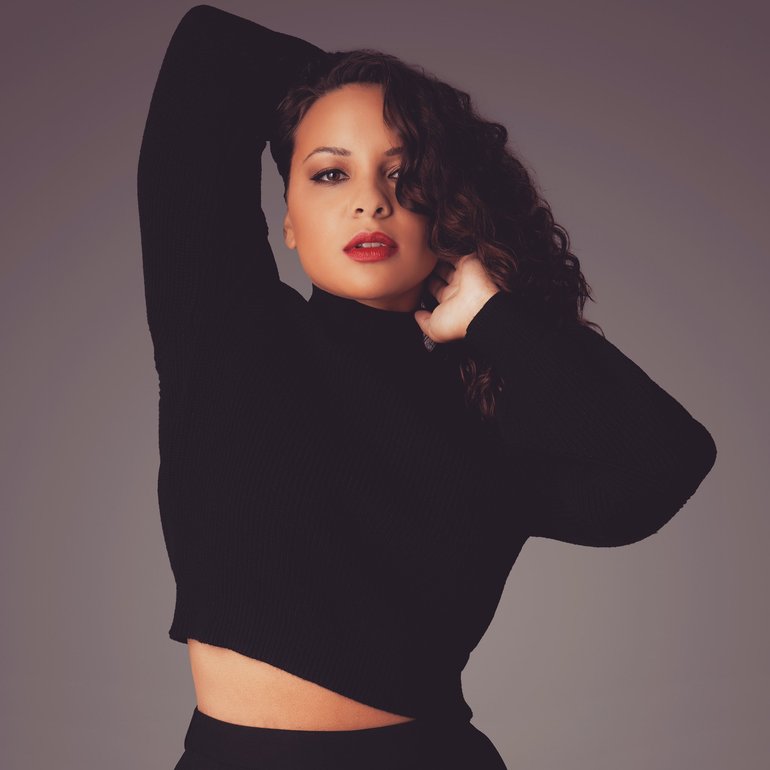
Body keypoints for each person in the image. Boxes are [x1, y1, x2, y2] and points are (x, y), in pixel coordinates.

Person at [136, 5, 718, 769]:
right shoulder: (228, 333)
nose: (370, 200)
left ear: (446, 209)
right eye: (332, 172)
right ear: (288, 222)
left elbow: (667, 460)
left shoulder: (490, 401)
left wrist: (495, 316)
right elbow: (211, 51)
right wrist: (375, 95)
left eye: (406, 174)